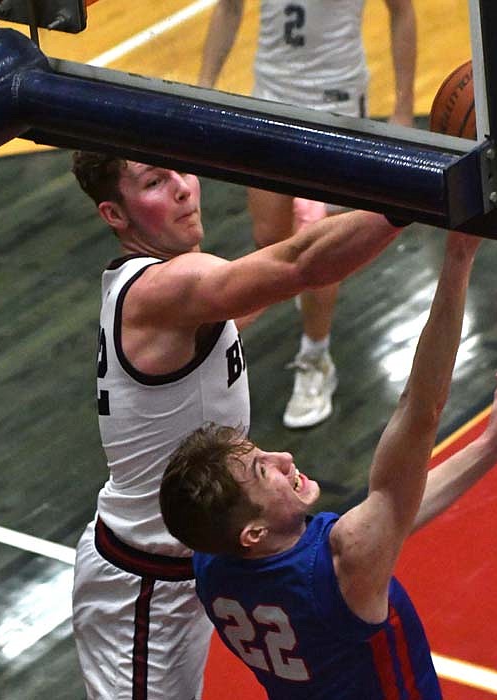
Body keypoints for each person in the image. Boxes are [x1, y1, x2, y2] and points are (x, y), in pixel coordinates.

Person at [68, 150, 416, 700]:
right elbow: (299, 266)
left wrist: (295, 245)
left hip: (202, 558)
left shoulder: (173, 291)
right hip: (144, 581)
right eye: (155, 182)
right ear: (115, 214)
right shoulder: (164, 287)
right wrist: (413, 198)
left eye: (180, 167)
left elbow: (242, 301)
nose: (183, 187)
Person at [159, 231, 497, 698]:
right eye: (263, 471)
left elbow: (393, 515)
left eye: (262, 452)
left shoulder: (211, 558)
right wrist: (457, 257)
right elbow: (421, 410)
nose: (284, 457)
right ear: (253, 532)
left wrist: (492, 444)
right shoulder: (342, 562)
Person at [197, 0, 417, 428]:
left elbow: (402, 11)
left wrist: (404, 107)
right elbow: (228, 7)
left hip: (335, 104)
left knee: (321, 249)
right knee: (270, 240)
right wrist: (204, 86)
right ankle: (292, 307)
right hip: (270, 97)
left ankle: (316, 356)